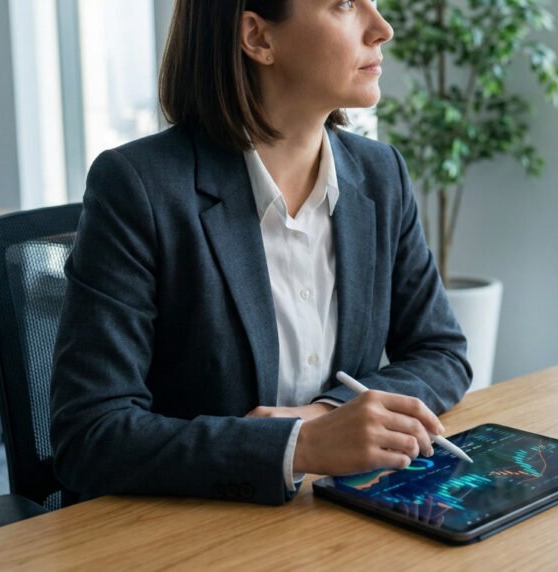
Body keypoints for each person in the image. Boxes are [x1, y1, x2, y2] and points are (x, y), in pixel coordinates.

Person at [48, 0, 471, 507]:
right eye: (343, 5)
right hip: (189, 528)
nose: (382, 28)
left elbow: (440, 352)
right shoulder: (139, 188)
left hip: (332, 517)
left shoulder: (380, 175)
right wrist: (300, 445)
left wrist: (326, 414)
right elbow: (91, 433)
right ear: (258, 37)